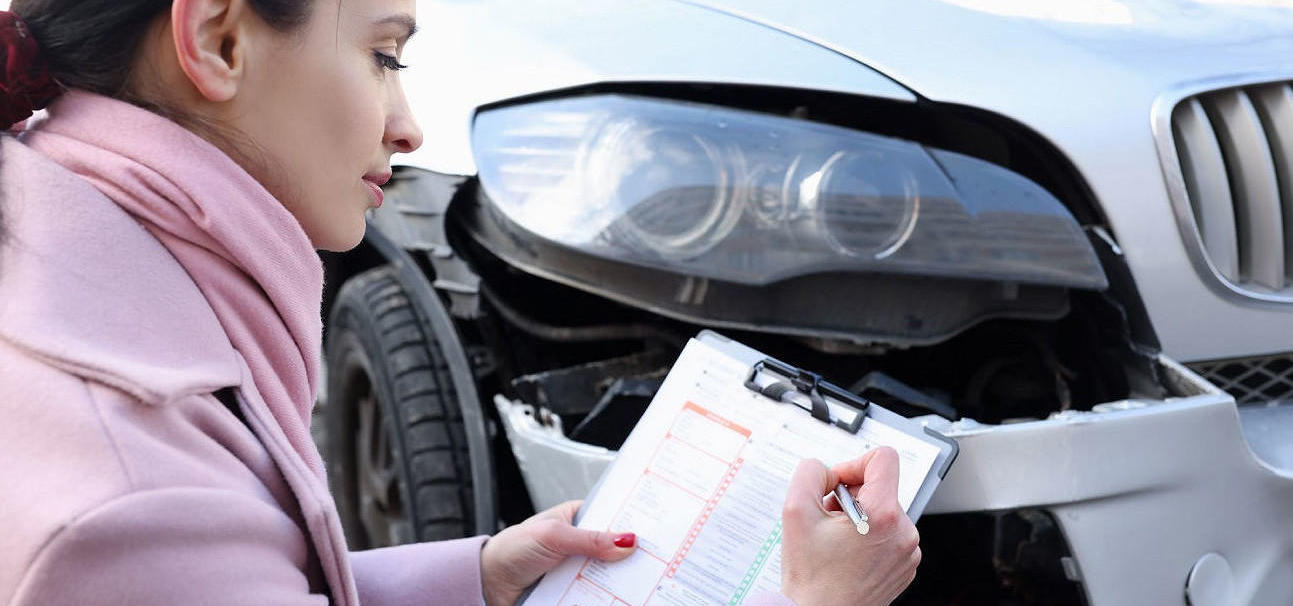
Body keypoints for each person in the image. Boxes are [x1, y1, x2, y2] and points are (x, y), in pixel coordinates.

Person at [0, 0, 921, 604]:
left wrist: (480, 573)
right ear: (218, 40)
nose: (408, 126)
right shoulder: (123, 501)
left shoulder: (60, 286)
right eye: (382, 56)